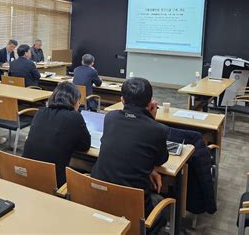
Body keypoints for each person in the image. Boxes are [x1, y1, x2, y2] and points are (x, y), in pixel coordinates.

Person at [91, 77, 170, 233]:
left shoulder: (110, 117)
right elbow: (162, 160)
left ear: (122, 100)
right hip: (134, 209)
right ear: (150, 103)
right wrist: (152, 119)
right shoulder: (158, 130)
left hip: (97, 198)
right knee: (163, 204)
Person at [22, 82, 91, 187]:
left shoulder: (40, 112)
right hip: (52, 180)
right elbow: (85, 146)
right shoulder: (74, 117)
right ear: (75, 101)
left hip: (26, 173)